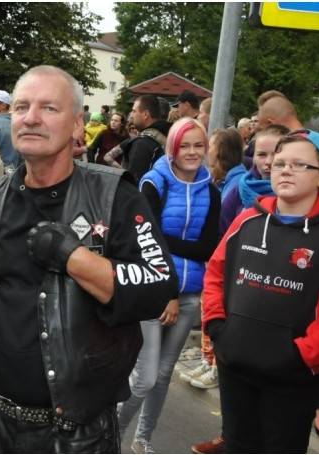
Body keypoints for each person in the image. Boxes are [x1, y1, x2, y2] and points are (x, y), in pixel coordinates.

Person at [0, 65, 177, 453]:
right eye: (22, 106)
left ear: (77, 126)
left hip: (78, 435)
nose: (31, 117)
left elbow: (158, 285)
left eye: (49, 108)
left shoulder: (115, 196)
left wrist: (73, 256)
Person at [203, 131, 319, 453]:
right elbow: (215, 274)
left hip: (291, 378)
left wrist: (301, 355)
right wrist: (216, 327)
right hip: (235, 367)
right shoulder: (247, 219)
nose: (284, 170)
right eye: (280, 163)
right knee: (236, 447)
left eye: (299, 165)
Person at [117, 118, 220, 454]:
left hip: (190, 296)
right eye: (184, 145)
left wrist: (166, 240)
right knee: (144, 378)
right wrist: (169, 292)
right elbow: (147, 241)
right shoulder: (154, 183)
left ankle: (142, 440)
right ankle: (109, 435)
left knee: (162, 377)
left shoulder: (211, 189)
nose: (191, 152)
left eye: (198, 145)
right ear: (172, 148)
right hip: (154, 293)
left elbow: (207, 247)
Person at [123, 95, 170, 183]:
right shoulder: (171, 135)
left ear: (145, 114)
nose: (132, 115)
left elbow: (133, 182)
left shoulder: (141, 144)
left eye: (134, 111)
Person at [208, 128, 247, 200]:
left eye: (209, 147)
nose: (207, 151)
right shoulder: (219, 177)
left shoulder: (237, 184)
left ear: (221, 151)